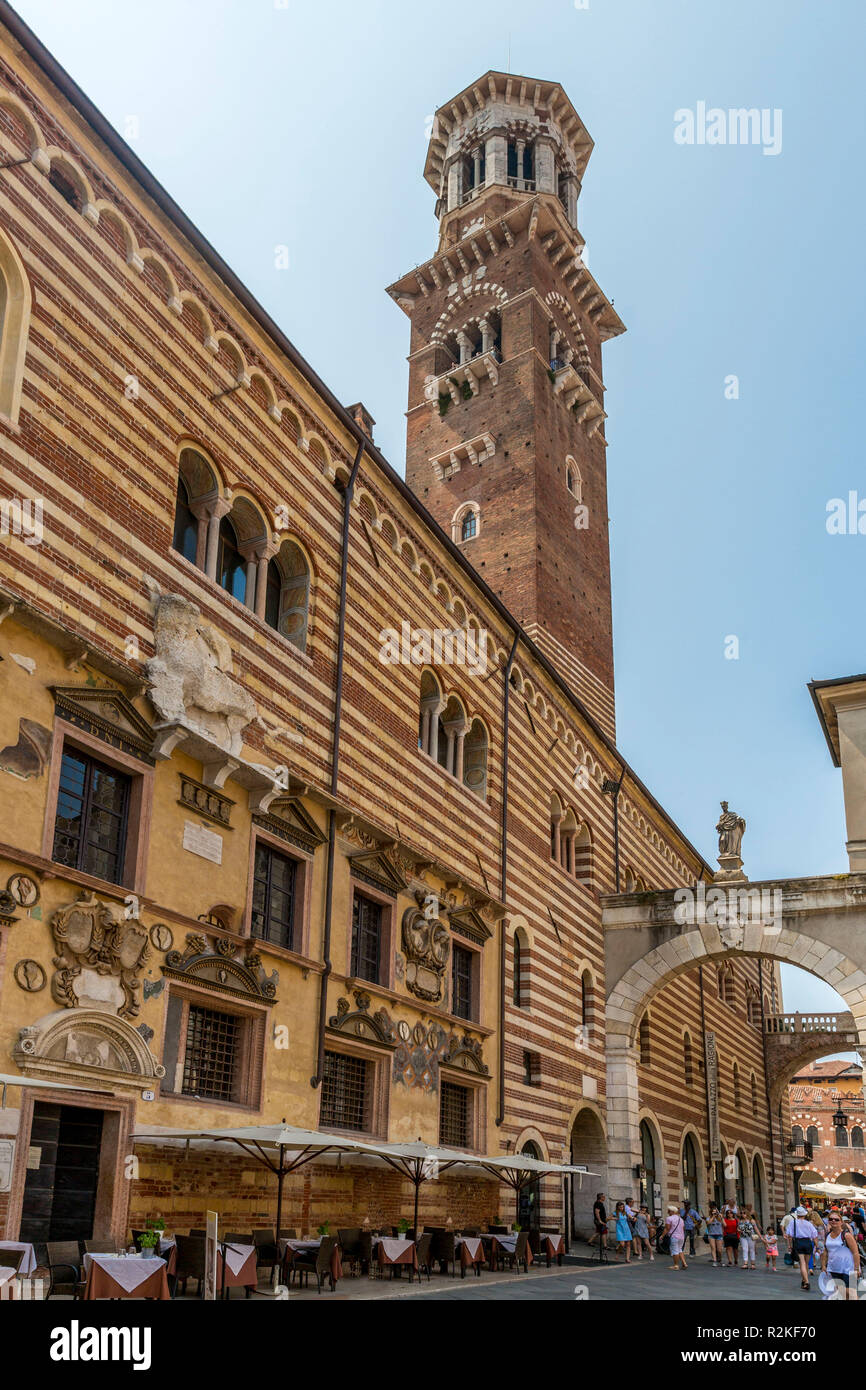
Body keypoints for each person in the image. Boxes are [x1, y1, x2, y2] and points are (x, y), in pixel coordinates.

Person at [822, 1209, 861, 1300]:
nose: (833, 1221)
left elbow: (855, 1252)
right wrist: (823, 1265)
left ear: (841, 1222)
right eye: (831, 1219)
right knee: (841, 1292)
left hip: (849, 1268)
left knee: (851, 1293)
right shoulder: (827, 1235)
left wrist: (856, 1268)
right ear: (828, 1221)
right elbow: (825, 1251)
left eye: (836, 1219)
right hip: (834, 1268)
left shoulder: (846, 1235)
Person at [790, 1205, 818, 1292]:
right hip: (808, 1242)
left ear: (797, 1215)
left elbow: (789, 1235)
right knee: (806, 1263)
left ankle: (806, 1282)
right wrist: (817, 1246)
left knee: (802, 1263)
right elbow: (814, 1235)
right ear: (805, 1215)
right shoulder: (809, 1223)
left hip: (798, 1242)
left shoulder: (793, 1222)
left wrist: (789, 1245)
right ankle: (804, 1280)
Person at [666, 1204, 688, 1271]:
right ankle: (684, 1263)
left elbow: (667, 1228)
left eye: (668, 1211)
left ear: (672, 1211)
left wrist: (662, 1236)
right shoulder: (680, 1219)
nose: (668, 1212)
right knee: (680, 1249)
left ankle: (676, 1265)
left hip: (674, 1236)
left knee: (675, 1250)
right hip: (681, 1237)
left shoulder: (669, 1218)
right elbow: (683, 1228)